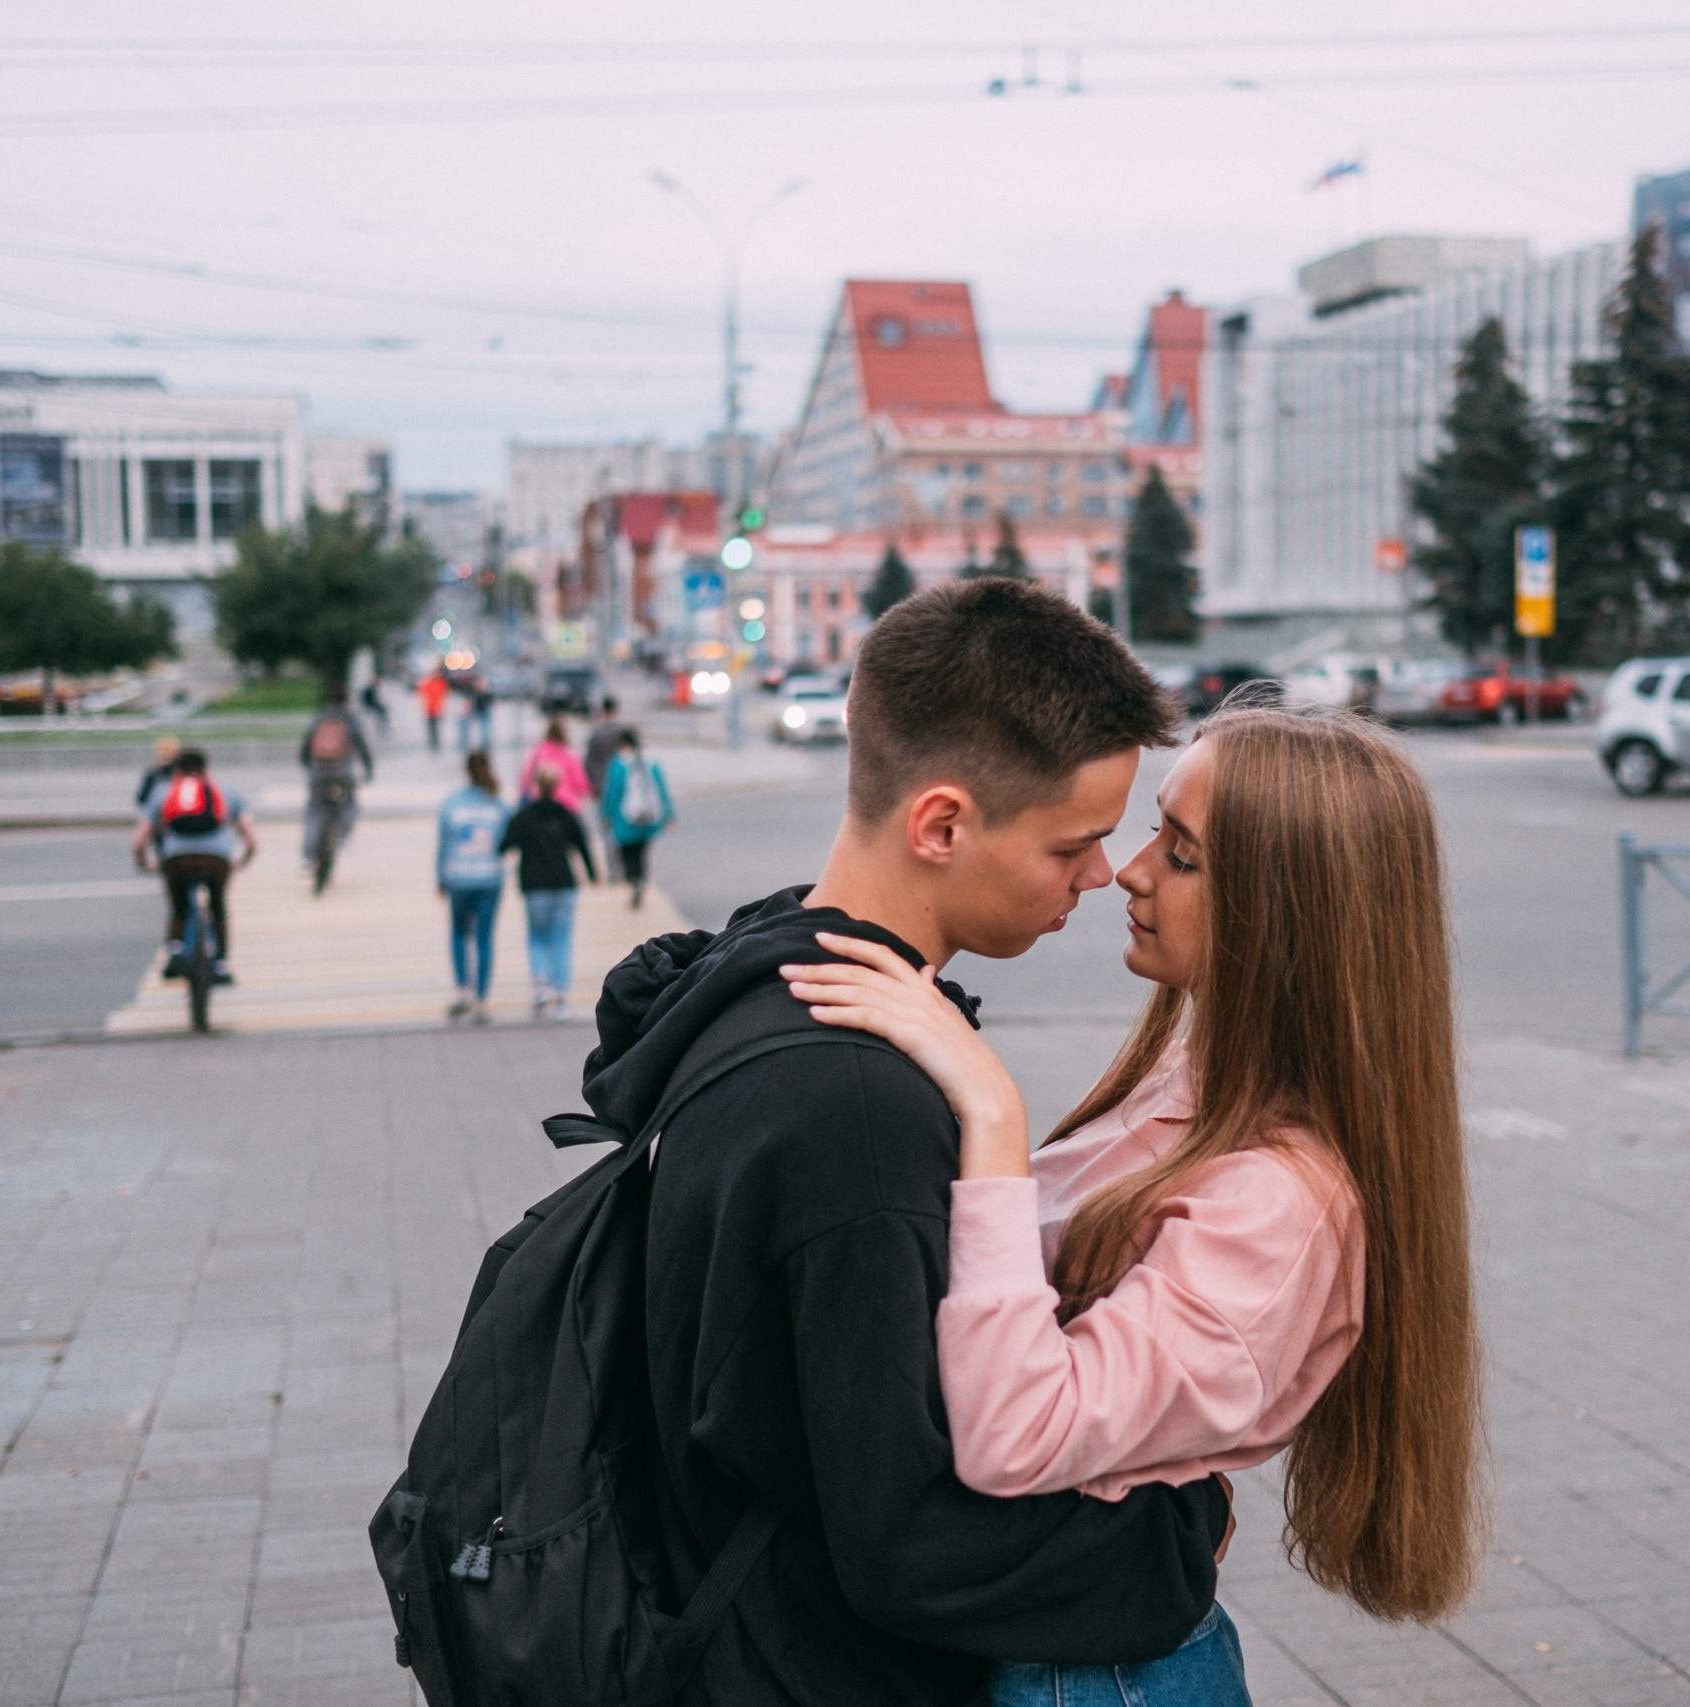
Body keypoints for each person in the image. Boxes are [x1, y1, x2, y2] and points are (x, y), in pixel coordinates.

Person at [580, 579, 1227, 1707]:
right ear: (940, 824)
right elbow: (916, 1539)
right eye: (1073, 843)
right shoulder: (859, 1110)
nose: (1099, 874)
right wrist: (1182, 1522)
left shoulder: (761, 980)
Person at [783, 703, 1483, 1705]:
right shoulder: (1198, 1084)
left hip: (1096, 1679)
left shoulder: (1280, 1207)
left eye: (1183, 854)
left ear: (1287, 914)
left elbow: (1017, 1435)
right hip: (1050, 1640)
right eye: (1155, 827)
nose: (1127, 870)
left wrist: (988, 1115)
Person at [133, 748, 258, 986]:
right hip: (216, 859)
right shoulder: (225, 789)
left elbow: (140, 839)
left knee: (178, 907)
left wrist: (144, 863)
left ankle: (176, 951)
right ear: (207, 769)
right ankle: (220, 964)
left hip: (176, 859)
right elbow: (251, 838)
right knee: (218, 906)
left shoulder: (163, 791)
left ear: (177, 771)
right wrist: (242, 860)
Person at [501, 763, 596, 1020]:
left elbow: (505, 843)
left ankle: (541, 987)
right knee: (562, 938)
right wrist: (592, 873)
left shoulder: (524, 815)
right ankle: (562, 995)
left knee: (537, 937)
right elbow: (582, 844)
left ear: (535, 784)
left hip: (534, 886)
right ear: (556, 785)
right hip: (565, 884)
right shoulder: (565, 814)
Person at [435, 751, 508, 1023]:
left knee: (458, 934)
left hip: (459, 878)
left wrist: (440, 878)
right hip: (489, 878)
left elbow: (443, 846)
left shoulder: (451, 804)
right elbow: (504, 843)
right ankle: (481, 999)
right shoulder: (498, 805)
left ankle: (462, 989)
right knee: (484, 939)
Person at [300, 690, 375, 872]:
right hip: (342, 772)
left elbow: (305, 747)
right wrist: (368, 770)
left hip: (318, 772)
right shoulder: (349, 719)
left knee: (315, 810)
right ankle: (342, 835)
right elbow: (362, 746)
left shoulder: (320, 718)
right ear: (346, 702)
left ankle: (309, 857)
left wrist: (308, 767)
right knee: (349, 803)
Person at [601, 728, 673, 909]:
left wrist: (606, 815)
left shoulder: (619, 764)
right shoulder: (651, 761)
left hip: (625, 818)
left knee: (627, 854)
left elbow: (613, 793)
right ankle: (641, 880)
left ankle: (633, 882)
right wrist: (669, 815)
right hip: (649, 819)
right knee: (642, 854)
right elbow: (662, 790)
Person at [517, 716, 590, 810]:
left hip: (540, 801)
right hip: (565, 804)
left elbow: (525, 780)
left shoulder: (537, 751)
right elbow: (581, 784)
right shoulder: (568, 755)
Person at [581, 693, 627, 802]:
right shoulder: (622, 733)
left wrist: (593, 783)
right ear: (615, 711)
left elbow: (589, 762)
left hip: (601, 782)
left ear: (602, 710)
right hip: (621, 783)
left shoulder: (596, 733)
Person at [133, 734, 180, 808]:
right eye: (162, 753)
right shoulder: (152, 774)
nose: (165, 756)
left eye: (168, 753)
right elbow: (141, 798)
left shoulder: (178, 775)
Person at [419, 669, 450, 751]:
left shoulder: (440, 683)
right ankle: (432, 742)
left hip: (437, 709)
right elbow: (421, 689)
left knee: (436, 727)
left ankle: (436, 743)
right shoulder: (428, 683)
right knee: (431, 727)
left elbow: (445, 688)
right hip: (429, 709)